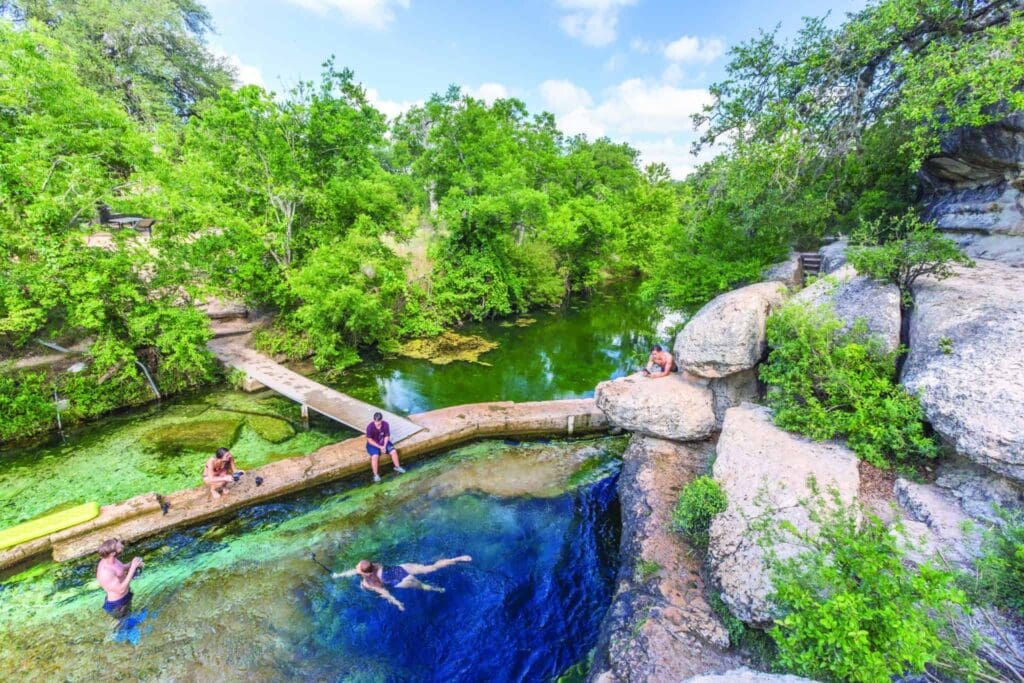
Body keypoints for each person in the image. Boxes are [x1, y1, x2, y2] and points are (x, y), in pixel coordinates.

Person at [333, 555, 473, 611]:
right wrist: (339, 575)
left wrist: (397, 603)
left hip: (402, 581)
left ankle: (439, 590)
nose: (356, 570)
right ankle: (458, 558)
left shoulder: (370, 581)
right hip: (401, 568)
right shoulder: (375, 565)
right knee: (430, 567)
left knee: (425, 586)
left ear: (365, 573)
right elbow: (354, 571)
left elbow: (384, 593)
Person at [96, 538, 143, 619]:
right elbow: (120, 589)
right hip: (118, 604)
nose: (122, 546)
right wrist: (132, 569)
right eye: (119, 547)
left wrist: (133, 563)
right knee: (125, 626)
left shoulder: (111, 559)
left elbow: (121, 568)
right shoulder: (105, 572)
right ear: (113, 553)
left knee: (130, 616)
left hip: (125, 597)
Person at [366, 412, 406, 483]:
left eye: (379, 421)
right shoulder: (370, 427)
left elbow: (387, 436)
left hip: (383, 442)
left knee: (393, 451)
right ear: (374, 420)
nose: (377, 423)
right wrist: (380, 447)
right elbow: (369, 440)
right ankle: (376, 475)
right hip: (373, 444)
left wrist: (384, 446)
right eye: (376, 421)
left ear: (381, 420)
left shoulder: (385, 424)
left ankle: (397, 467)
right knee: (375, 456)